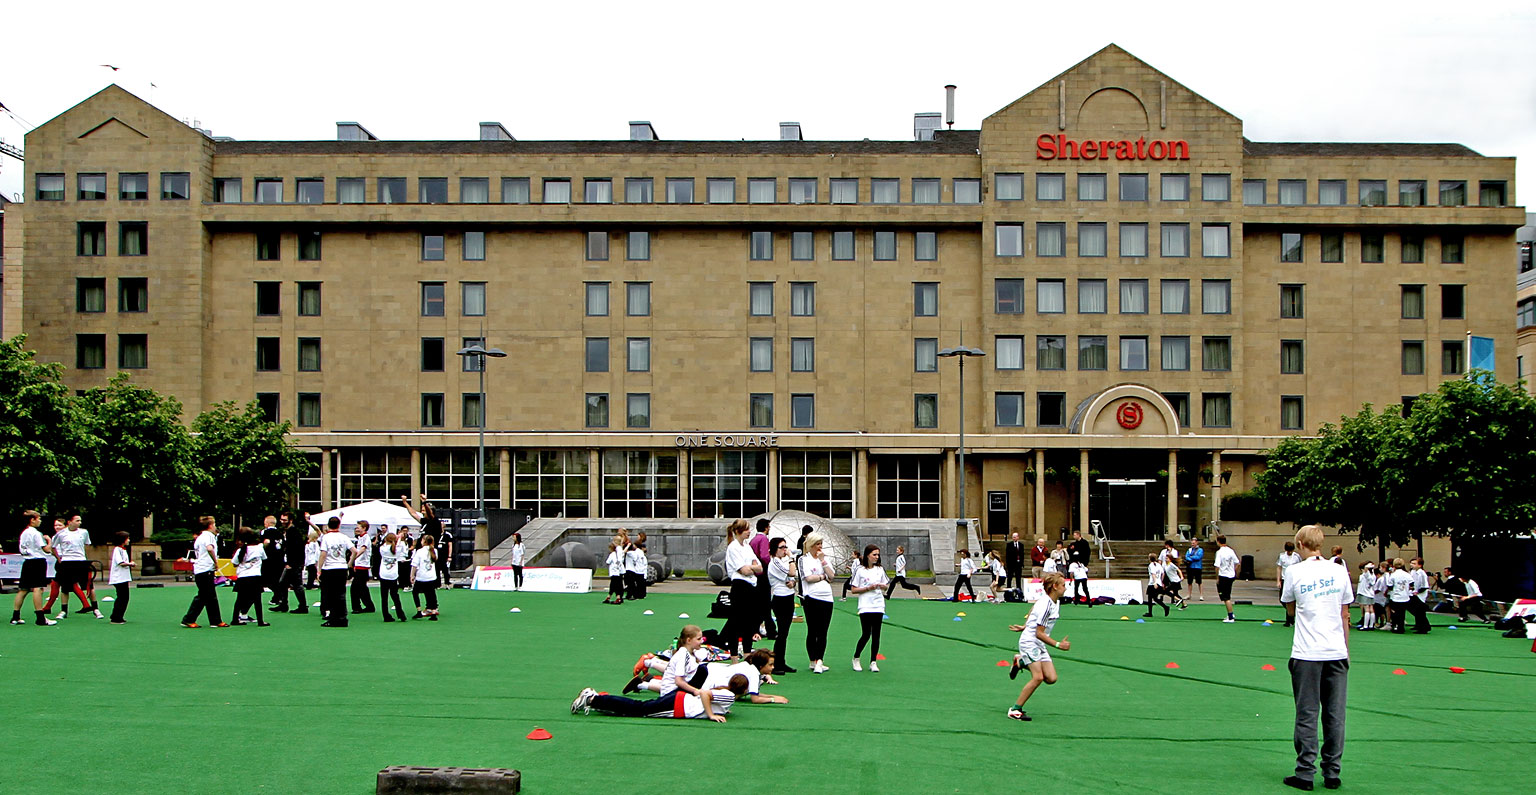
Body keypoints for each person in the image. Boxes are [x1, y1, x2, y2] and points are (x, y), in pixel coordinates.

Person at [1279, 525, 1352, 792]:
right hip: (1336, 650)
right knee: (1335, 715)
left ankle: (1305, 772)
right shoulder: (1338, 569)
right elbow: (1344, 614)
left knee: (1307, 713)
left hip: (1307, 651)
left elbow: (1289, 607)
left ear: (1300, 544)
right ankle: (1332, 772)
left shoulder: (1294, 571)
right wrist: (1345, 649)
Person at [1007, 571, 1070, 721]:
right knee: (1038, 677)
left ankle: (1020, 661)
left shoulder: (1053, 601)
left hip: (1039, 643)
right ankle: (1015, 710)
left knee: (1051, 678)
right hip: (1030, 642)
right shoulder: (1046, 605)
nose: (1065, 588)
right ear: (1055, 587)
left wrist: (1025, 624)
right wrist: (1058, 644)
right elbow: (1039, 633)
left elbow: (1033, 609)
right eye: (1063, 585)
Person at [573, 674, 750, 722]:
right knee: (638, 709)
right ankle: (593, 699)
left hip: (679, 702)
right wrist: (711, 714)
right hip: (678, 706)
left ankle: (600, 700)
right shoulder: (730, 697)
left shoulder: (726, 696)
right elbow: (705, 694)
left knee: (638, 707)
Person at [720, 519, 762, 656]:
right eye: (746, 529)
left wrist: (751, 567)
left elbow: (759, 567)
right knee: (736, 622)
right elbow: (744, 570)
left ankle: (747, 654)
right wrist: (751, 568)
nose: (749, 532)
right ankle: (734, 657)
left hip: (751, 586)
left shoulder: (747, 547)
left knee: (749, 623)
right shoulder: (733, 547)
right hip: (740, 587)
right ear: (738, 531)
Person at [50, 514, 102, 620]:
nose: (80, 522)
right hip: (66, 563)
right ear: (70, 522)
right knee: (65, 588)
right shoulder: (61, 534)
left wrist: (83, 557)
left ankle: (96, 609)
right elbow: (53, 547)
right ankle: (64, 610)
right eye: (77, 520)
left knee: (89, 586)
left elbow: (87, 545)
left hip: (81, 562)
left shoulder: (84, 532)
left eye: (80, 520)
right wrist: (60, 559)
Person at [11, 511, 57, 626]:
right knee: (38, 588)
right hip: (37, 562)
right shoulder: (36, 533)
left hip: (27, 562)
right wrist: (50, 541)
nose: (40, 521)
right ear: (32, 520)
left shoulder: (24, 533)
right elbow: (46, 549)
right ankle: (40, 618)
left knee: (24, 589)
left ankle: (15, 617)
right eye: (38, 518)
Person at [181, 516, 227, 628]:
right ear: (210, 525)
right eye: (214, 524)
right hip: (205, 569)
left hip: (201, 569)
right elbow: (210, 548)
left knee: (210, 596)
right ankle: (188, 619)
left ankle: (215, 620)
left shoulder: (200, 537)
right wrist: (216, 562)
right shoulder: (209, 536)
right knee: (204, 596)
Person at [799, 532, 835, 673]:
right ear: (810, 545)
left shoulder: (823, 558)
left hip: (826, 597)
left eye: (821, 544)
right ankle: (812, 660)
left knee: (823, 631)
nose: (819, 547)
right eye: (817, 544)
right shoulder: (803, 559)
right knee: (812, 630)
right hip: (811, 597)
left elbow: (831, 576)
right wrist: (822, 576)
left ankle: (820, 660)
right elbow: (808, 577)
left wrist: (823, 562)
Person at [849, 544, 889, 672]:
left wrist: (882, 586)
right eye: (874, 555)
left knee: (876, 634)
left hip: (878, 604)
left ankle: (873, 661)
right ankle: (856, 657)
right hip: (865, 605)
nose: (876, 557)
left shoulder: (880, 569)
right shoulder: (860, 570)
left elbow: (886, 585)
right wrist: (867, 588)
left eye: (878, 555)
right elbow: (853, 589)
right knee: (866, 633)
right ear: (867, 555)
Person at [317, 516, 356, 627]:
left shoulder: (326, 537)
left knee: (330, 594)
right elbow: (354, 551)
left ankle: (334, 619)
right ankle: (342, 618)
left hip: (329, 568)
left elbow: (323, 554)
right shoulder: (344, 537)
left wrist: (319, 569)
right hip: (341, 568)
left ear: (328, 525)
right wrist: (349, 564)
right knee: (341, 594)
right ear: (339, 525)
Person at [766, 538, 798, 674]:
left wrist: (793, 583)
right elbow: (791, 572)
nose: (785, 549)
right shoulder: (774, 562)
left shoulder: (781, 562)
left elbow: (792, 578)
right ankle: (776, 663)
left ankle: (781, 662)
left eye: (785, 547)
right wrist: (792, 558)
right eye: (782, 547)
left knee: (784, 634)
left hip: (789, 597)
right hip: (780, 599)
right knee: (782, 633)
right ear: (775, 549)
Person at [230, 528, 270, 627]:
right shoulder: (259, 548)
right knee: (257, 600)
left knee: (239, 599)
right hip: (255, 576)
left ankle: (235, 619)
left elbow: (234, 563)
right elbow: (265, 558)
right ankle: (260, 621)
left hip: (243, 577)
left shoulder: (241, 550)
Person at [273, 511, 308, 613]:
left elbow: (295, 549)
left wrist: (291, 563)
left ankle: (302, 606)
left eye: (284, 520)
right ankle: (284, 604)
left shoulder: (293, 532)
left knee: (296, 584)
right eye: (281, 519)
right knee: (284, 583)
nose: (282, 522)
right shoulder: (289, 531)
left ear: (290, 520)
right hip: (293, 562)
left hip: (294, 563)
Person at [377, 530, 409, 622]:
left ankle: (386, 616)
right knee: (395, 595)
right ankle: (401, 614)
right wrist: (398, 539)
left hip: (383, 574)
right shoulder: (397, 549)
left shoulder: (382, 549)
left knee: (384, 597)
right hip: (393, 575)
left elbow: (384, 544)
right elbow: (397, 546)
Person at [750, 518, 774, 638]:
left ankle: (756, 628)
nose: (769, 529)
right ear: (765, 527)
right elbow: (764, 556)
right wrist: (772, 563)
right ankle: (771, 630)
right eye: (769, 527)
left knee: (758, 603)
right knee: (765, 603)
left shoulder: (754, 539)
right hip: (763, 573)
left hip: (755, 574)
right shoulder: (763, 539)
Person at [409, 533, 440, 620]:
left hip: (421, 576)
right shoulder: (434, 550)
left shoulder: (419, 551)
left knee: (415, 592)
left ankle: (419, 610)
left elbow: (414, 565)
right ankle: (433, 612)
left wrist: (412, 575)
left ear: (424, 541)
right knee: (431, 593)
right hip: (431, 576)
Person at [107, 531, 134, 624]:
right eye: (127, 539)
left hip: (124, 577)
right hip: (119, 578)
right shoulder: (117, 550)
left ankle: (118, 616)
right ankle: (116, 617)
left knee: (124, 597)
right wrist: (131, 564)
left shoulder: (123, 550)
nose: (129, 540)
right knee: (122, 597)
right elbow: (121, 563)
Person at [349, 522, 375, 614]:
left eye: (358, 527)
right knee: (362, 587)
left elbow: (363, 549)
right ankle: (368, 606)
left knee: (356, 587)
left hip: (363, 566)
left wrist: (353, 557)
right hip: (359, 565)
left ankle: (358, 607)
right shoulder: (360, 538)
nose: (356, 529)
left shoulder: (366, 538)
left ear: (364, 528)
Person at [259, 515, 284, 609]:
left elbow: (266, 542)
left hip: (269, 559)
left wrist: (262, 549)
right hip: (279, 559)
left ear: (267, 523)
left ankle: (278, 595)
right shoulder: (280, 533)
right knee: (277, 579)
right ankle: (277, 597)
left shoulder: (265, 532)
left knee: (267, 579)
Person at [1215, 535, 1240, 623]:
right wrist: (1233, 571)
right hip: (1230, 576)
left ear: (1218, 541)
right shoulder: (1231, 550)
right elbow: (1237, 563)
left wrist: (1217, 577)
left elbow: (1217, 566)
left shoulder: (1219, 552)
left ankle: (1230, 616)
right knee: (1226, 595)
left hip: (1223, 576)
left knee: (1226, 597)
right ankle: (1230, 614)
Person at [1277, 542, 1301, 627]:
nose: (1289, 553)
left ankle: (1289, 620)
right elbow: (1279, 568)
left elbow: (1300, 567)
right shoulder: (1282, 556)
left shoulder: (1296, 557)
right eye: (1288, 551)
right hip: (1284, 579)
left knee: (1290, 599)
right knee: (1282, 599)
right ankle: (1291, 613)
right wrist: (1278, 580)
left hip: (1294, 580)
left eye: (1291, 551)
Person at [1385, 558, 1412, 634]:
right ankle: (1401, 627)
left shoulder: (1393, 575)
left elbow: (1389, 586)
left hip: (1395, 596)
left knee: (1395, 612)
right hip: (1405, 596)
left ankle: (1395, 626)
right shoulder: (1407, 574)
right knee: (1402, 612)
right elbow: (1412, 583)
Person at [1407, 558, 1431, 634]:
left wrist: (1418, 592)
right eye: (1411, 563)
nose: (1412, 565)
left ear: (1420, 565)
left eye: (1414, 563)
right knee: (1416, 610)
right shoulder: (1413, 572)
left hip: (1420, 595)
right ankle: (1418, 625)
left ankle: (1424, 627)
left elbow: (1425, 586)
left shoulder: (1422, 573)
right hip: (1413, 593)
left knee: (1420, 611)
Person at [1143, 553, 1169, 618]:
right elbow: (1163, 573)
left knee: (1150, 598)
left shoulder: (1151, 565)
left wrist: (1155, 582)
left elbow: (1153, 574)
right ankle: (1165, 607)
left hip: (1152, 584)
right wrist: (1161, 581)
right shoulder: (1158, 565)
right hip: (1159, 582)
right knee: (1155, 598)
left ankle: (1150, 613)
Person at [1354, 563, 1378, 631]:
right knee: (1371, 609)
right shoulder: (1373, 576)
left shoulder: (1366, 575)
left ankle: (1365, 625)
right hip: (1371, 594)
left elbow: (1366, 573)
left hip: (1365, 593)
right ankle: (1371, 625)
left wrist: (1366, 569)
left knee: (1367, 609)